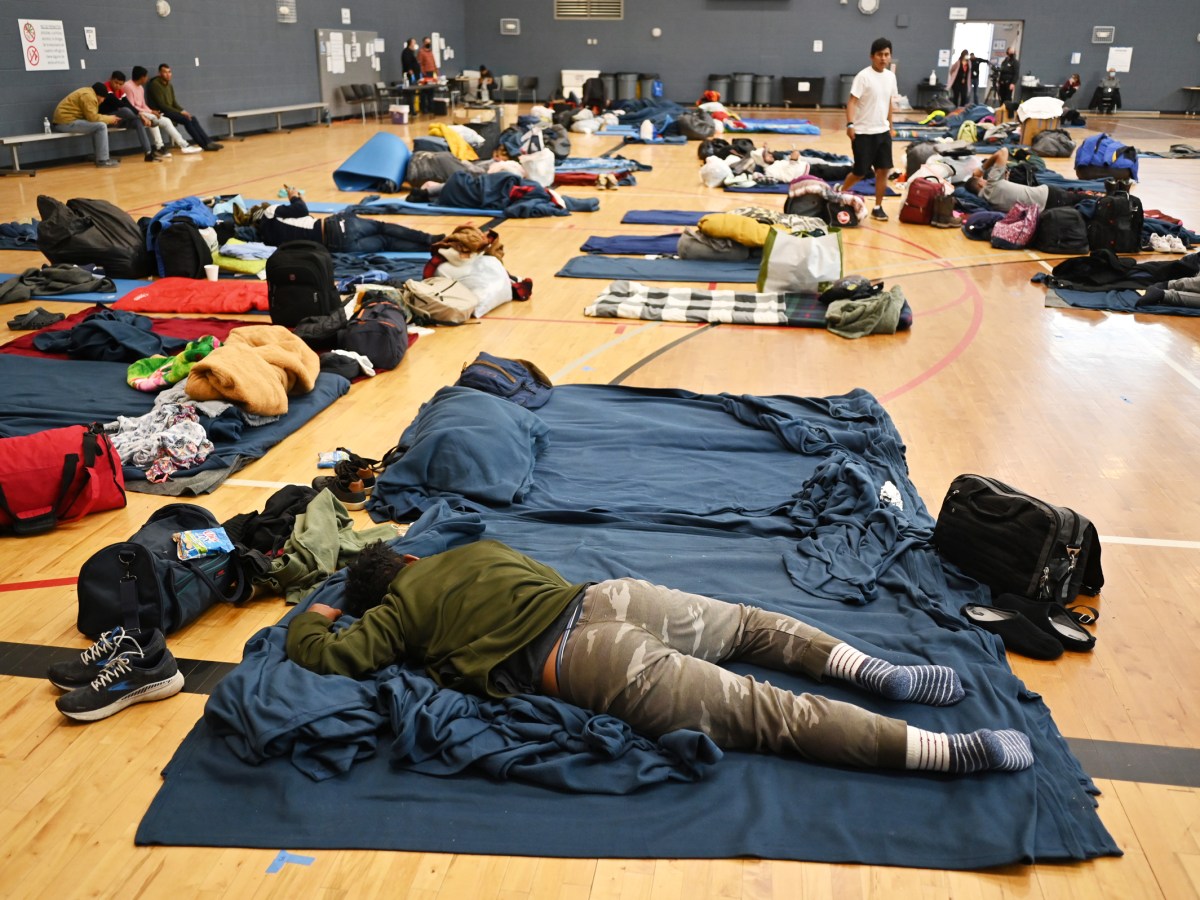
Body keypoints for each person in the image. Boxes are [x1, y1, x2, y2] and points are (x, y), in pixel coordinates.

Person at [286, 539, 1035, 776]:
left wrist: (322, 609)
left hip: (577, 660)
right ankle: (867, 668)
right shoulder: (476, 547)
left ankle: (945, 753)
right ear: (414, 554)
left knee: (763, 713)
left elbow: (327, 656)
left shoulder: (393, 612)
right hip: (612, 599)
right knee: (751, 627)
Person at [253, 185, 438, 253]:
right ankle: (428, 240)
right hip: (335, 226)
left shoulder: (267, 241)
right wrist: (293, 196)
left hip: (337, 247)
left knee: (385, 242)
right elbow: (301, 209)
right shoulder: (270, 212)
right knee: (382, 227)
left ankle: (430, 248)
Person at [841, 37, 898, 223]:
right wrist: (850, 124)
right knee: (860, 171)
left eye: (887, 54)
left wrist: (891, 126)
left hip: (882, 132)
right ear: (872, 56)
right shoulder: (863, 76)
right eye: (880, 54)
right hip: (863, 132)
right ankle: (840, 193)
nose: (883, 58)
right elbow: (852, 102)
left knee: (883, 171)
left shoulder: (891, 77)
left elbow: (889, 102)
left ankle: (878, 207)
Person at [963, 147, 1085, 212]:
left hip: (1045, 206)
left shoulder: (988, 202)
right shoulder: (991, 185)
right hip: (1049, 195)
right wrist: (981, 169)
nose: (985, 179)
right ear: (979, 183)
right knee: (1087, 199)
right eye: (983, 179)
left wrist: (1004, 179)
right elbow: (1003, 151)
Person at [145, 63, 223, 151]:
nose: (168, 74)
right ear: (160, 73)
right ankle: (203, 145)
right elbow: (162, 105)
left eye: (169, 72)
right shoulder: (155, 85)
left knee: (192, 118)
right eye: (165, 72)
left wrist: (183, 110)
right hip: (162, 112)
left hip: (171, 111)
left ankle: (208, 142)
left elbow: (174, 102)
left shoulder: (169, 85)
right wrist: (180, 112)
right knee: (186, 120)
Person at [124, 65, 202, 154]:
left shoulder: (141, 88)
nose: (147, 78)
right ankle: (164, 146)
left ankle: (172, 146)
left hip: (144, 112)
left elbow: (143, 105)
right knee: (156, 119)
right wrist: (151, 112)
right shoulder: (128, 86)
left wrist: (152, 111)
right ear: (142, 77)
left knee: (165, 120)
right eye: (146, 76)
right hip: (135, 114)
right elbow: (131, 107)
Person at [100, 70, 167, 162]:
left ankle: (148, 153)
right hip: (106, 120)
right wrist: (141, 116)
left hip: (119, 119)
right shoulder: (105, 88)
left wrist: (140, 115)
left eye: (120, 84)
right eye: (116, 83)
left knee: (138, 122)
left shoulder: (120, 91)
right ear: (110, 79)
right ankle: (147, 121)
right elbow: (119, 104)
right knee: (125, 110)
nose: (117, 86)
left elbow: (128, 104)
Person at [50, 83, 123, 168]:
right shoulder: (89, 97)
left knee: (98, 126)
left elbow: (90, 117)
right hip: (65, 123)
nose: (103, 101)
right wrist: (110, 119)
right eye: (103, 98)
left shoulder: (88, 92)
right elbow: (93, 117)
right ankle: (102, 160)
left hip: (65, 121)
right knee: (101, 126)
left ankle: (99, 156)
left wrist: (107, 119)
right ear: (99, 95)